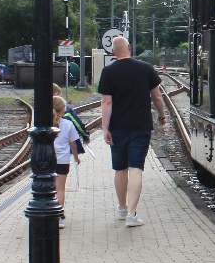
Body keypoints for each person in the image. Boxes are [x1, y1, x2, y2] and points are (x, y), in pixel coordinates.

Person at [97, 35, 166, 226]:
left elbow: (106, 102)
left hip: (117, 127)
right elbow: (157, 97)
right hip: (140, 126)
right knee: (136, 168)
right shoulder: (145, 68)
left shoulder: (108, 71)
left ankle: (121, 208)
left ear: (113, 51)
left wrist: (105, 129)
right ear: (129, 48)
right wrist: (162, 116)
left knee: (120, 169)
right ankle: (132, 215)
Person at [52, 95, 81, 230]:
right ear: (62, 110)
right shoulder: (68, 124)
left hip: (48, 160)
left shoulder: (45, 124)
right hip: (63, 161)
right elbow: (73, 143)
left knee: (50, 189)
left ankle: (49, 213)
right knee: (60, 189)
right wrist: (75, 157)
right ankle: (59, 217)